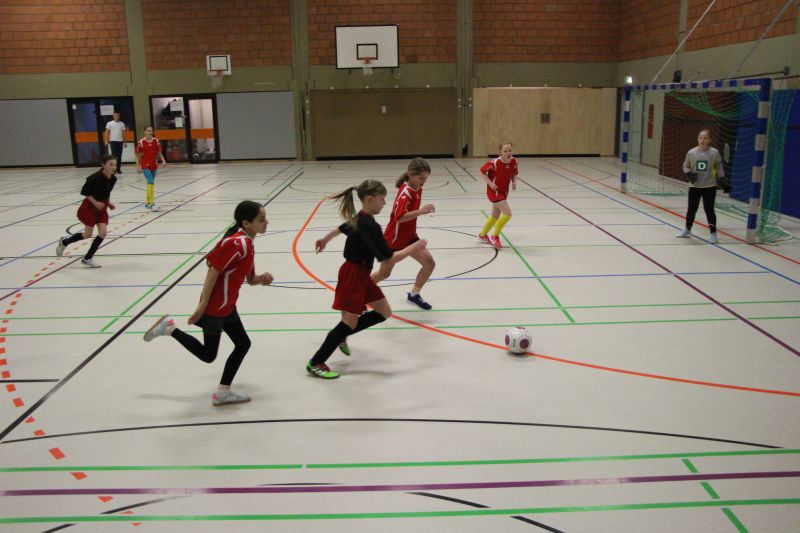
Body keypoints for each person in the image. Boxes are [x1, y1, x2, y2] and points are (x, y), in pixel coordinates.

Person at [142, 201, 273, 405]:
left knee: (242, 344)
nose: (266, 222)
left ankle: (222, 393)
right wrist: (203, 305)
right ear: (246, 223)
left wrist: (262, 279)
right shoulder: (238, 243)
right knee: (209, 355)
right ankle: (169, 328)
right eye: (261, 219)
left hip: (227, 306)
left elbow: (250, 279)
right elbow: (214, 269)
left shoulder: (247, 243)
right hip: (216, 308)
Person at [309, 179, 427, 378]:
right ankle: (316, 362)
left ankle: (342, 335)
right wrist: (414, 247)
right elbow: (389, 258)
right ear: (370, 199)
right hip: (353, 275)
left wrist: (325, 240)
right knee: (348, 322)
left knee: (384, 312)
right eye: (382, 199)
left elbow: (341, 228)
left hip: (362, 275)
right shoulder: (369, 225)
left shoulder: (361, 218)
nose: (384, 203)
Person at [371, 157, 436, 310]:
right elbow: (399, 217)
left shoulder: (417, 187)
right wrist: (421, 211)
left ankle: (414, 295)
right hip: (393, 241)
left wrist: (420, 211)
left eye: (426, 178)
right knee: (384, 274)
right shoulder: (406, 193)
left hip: (410, 237)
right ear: (411, 174)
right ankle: (359, 292)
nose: (424, 181)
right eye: (421, 178)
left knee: (429, 263)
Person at [55, 154, 117, 268]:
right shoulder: (95, 177)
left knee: (103, 233)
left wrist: (109, 203)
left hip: (101, 208)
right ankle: (64, 242)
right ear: (103, 165)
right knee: (87, 234)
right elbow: (85, 192)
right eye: (110, 164)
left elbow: (107, 193)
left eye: (115, 165)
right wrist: (96, 203)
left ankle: (88, 258)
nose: (113, 167)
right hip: (89, 207)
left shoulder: (113, 178)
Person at [676, 129, 724, 244]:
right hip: (694, 187)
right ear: (698, 139)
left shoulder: (714, 153)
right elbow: (685, 166)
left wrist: (722, 179)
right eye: (700, 138)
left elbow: (719, 167)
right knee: (691, 209)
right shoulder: (691, 152)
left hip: (709, 186)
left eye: (705, 138)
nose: (702, 140)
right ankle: (687, 229)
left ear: (710, 140)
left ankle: (713, 234)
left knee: (709, 210)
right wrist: (689, 174)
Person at [477, 141, 518, 249]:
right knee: (507, 214)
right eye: (505, 151)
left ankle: (482, 235)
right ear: (500, 152)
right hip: (494, 192)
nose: (508, 153)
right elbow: (482, 171)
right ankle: (495, 236)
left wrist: (514, 183)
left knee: (495, 216)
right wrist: (490, 183)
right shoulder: (495, 163)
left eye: (510, 150)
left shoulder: (513, 161)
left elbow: (514, 173)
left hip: (504, 192)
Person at [135, 125, 167, 211]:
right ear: (144, 132)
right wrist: (138, 166)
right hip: (145, 164)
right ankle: (152, 204)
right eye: (148, 131)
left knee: (150, 183)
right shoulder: (141, 142)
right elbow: (137, 155)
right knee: (150, 181)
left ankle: (147, 202)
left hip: (154, 164)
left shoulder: (156, 141)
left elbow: (159, 152)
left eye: (151, 130)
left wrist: (163, 160)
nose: (150, 132)